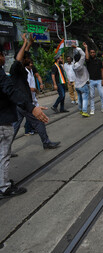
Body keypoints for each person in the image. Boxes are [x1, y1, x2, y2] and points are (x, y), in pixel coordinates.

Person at [1, 45, 49, 198]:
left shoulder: (23, 70)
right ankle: (4, 187)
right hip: (2, 120)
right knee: (3, 154)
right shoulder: (8, 71)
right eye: (2, 55)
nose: (3, 58)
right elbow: (10, 90)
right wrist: (32, 107)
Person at [10, 34, 60, 150]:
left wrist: (30, 43)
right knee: (39, 121)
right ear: (22, 59)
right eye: (27, 58)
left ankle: (5, 148)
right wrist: (24, 42)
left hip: (20, 102)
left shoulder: (21, 66)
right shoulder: (15, 67)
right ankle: (46, 142)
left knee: (14, 127)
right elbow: (19, 58)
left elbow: (23, 56)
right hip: (23, 102)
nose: (29, 60)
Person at [85, 45, 103, 115]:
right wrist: (86, 47)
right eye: (91, 52)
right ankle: (92, 109)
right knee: (92, 96)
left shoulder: (99, 61)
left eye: (93, 52)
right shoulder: (88, 61)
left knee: (102, 94)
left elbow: (102, 70)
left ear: (95, 53)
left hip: (99, 80)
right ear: (89, 53)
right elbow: (86, 57)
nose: (92, 53)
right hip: (91, 80)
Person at [73, 43, 90, 117]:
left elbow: (76, 57)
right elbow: (83, 55)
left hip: (77, 85)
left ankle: (80, 109)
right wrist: (77, 47)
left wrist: (74, 50)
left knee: (79, 98)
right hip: (83, 84)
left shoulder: (74, 65)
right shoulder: (80, 63)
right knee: (85, 98)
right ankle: (84, 111)